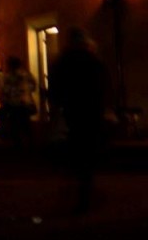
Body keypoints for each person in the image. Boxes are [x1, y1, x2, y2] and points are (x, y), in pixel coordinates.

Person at [47, 27, 111, 214]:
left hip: (74, 110)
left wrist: (56, 106)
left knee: (78, 145)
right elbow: (104, 84)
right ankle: (84, 185)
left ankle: (80, 186)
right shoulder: (93, 61)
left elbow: (56, 88)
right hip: (91, 110)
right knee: (88, 148)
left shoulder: (63, 62)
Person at [0, 55, 37, 148]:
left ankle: (18, 144)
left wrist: (5, 98)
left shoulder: (6, 77)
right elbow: (33, 86)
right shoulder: (25, 75)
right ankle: (30, 143)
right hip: (24, 103)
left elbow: (3, 90)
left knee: (14, 125)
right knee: (25, 124)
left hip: (12, 104)